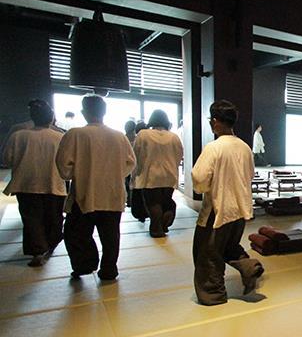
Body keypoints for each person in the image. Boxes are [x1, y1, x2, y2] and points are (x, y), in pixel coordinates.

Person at [55, 95, 135, 281]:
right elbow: (130, 163)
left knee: (76, 232)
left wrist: (78, 173)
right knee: (111, 234)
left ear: (84, 112)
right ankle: (109, 269)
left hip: (85, 192)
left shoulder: (75, 134)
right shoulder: (118, 136)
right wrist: (115, 174)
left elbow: (63, 166)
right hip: (112, 192)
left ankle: (85, 264)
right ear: (104, 112)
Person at [191, 100, 258, 306]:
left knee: (206, 253)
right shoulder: (245, 147)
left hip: (217, 209)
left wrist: (203, 189)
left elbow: (199, 178)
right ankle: (249, 266)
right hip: (240, 209)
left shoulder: (214, 147)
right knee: (228, 246)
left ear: (215, 121)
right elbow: (250, 175)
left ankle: (213, 295)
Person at [2, 99, 66, 266]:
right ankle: (51, 243)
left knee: (32, 219)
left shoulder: (18, 136)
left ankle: (37, 251)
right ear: (51, 118)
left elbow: (7, 159)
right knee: (54, 217)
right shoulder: (59, 137)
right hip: (53, 183)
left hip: (26, 184)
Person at [133, 109, 183, 238]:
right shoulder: (174, 137)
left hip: (150, 175)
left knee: (153, 202)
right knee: (166, 200)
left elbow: (136, 154)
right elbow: (179, 155)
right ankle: (165, 220)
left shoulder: (143, 135)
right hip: (169, 175)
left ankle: (156, 229)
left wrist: (136, 173)